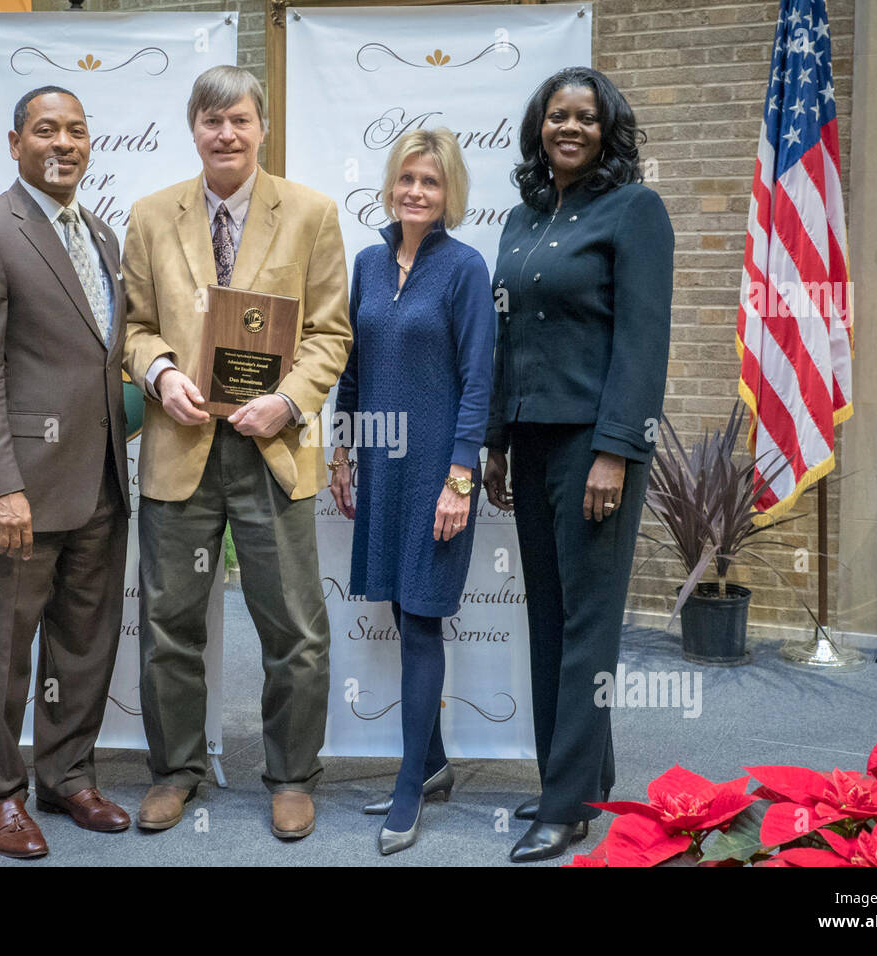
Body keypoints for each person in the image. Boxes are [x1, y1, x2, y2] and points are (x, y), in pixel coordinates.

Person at [121, 65, 351, 840]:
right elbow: (134, 327)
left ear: (262, 129)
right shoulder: (151, 217)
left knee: (295, 629)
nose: (226, 133)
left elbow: (330, 333)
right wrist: (156, 373)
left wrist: (288, 400)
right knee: (167, 624)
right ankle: (175, 770)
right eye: (212, 120)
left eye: (240, 120)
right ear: (194, 128)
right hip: (180, 446)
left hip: (271, 450)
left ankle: (290, 775)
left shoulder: (313, 214)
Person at [0, 86, 133, 859]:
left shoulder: (104, 236)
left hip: (102, 484)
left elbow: (100, 359)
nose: (64, 143)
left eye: (77, 130)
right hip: (21, 488)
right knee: (0, 650)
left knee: (84, 645)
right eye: (46, 129)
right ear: (15, 142)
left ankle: (67, 777)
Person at [483, 67, 673, 862]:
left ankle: (563, 807)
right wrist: (495, 436)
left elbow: (642, 341)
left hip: (595, 448)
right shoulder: (523, 219)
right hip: (529, 443)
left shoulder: (634, 211)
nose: (569, 127)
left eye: (586, 118)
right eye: (556, 115)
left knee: (588, 627)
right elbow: (506, 338)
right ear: (539, 127)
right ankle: (581, 782)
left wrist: (616, 451)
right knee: (549, 618)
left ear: (607, 130)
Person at [330, 128, 495, 855]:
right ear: (390, 185)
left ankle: (408, 785)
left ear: (448, 191)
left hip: (437, 470)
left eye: (430, 181)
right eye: (406, 179)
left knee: (423, 618)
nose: (416, 192)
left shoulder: (464, 268)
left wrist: (460, 479)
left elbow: (478, 383)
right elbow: (354, 368)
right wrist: (342, 449)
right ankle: (432, 767)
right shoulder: (366, 262)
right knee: (401, 608)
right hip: (381, 464)